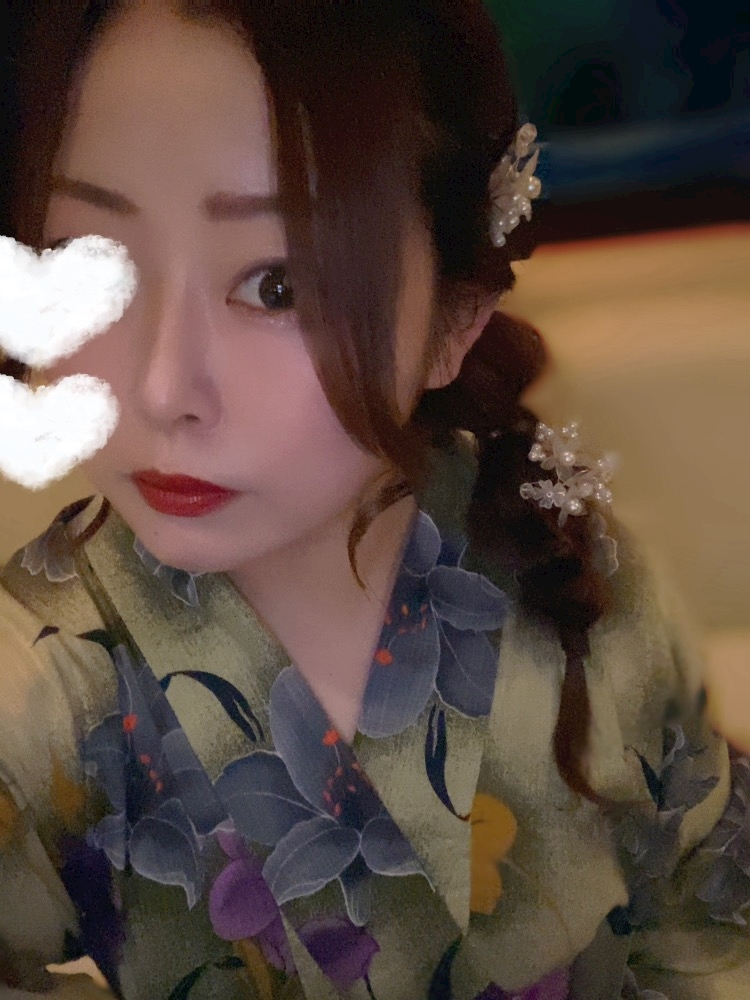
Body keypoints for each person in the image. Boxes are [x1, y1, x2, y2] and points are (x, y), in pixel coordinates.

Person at [0, 1, 748, 998]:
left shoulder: (562, 554)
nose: (164, 388)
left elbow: (709, 925)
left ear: (454, 321)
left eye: (278, 287)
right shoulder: (39, 681)